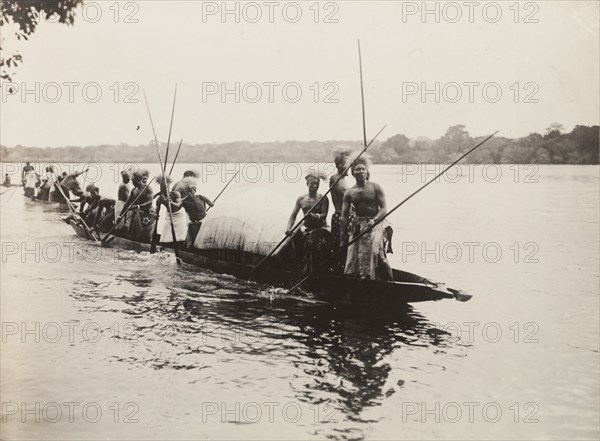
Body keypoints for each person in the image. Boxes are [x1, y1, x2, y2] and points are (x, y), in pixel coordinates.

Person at [340, 157, 393, 280]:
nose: (361, 172)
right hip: (358, 225)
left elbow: (384, 209)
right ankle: (360, 281)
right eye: (358, 170)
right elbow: (344, 217)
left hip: (376, 223)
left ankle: (391, 282)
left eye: (363, 169)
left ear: (367, 171)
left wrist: (373, 221)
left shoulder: (375, 187)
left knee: (379, 256)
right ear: (353, 173)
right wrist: (342, 239)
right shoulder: (349, 192)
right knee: (354, 258)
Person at [285, 172, 331, 272]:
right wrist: (288, 228)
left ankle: (317, 271)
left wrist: (314, 216)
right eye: (312, 183)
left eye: (317, 183)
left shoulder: (323, 198)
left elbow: (324, 215)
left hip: (320, 229)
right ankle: (301, 269)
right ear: (307, 184)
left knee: (315, 245)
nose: (315, 186)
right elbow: (293, 216)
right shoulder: (301, 199)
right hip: (306, 228)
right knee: (292, 245)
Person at [329, 148, 356, 272]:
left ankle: (349, 268)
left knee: (351, 244)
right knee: (341, 245)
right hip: (341, 216)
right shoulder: (335, 179)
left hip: (351, 216)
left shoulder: (345, 180)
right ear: (340, 165)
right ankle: (339, 270)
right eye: (347, 165)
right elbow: (346, 194)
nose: (349, 167)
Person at [178, 177, 214, 247]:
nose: (190, 193)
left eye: (191, 191)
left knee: (204, 243)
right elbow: (176, 206)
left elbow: (212, 204)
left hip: (203, 223)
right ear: (186, 191)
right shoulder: (184, 201)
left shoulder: (201, 197)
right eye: (188, 191)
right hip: (193, 225)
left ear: (195, 190)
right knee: (191, 244)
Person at [120, 169, 155, 242]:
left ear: (138, 180)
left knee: (147, 235)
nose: (132, 182)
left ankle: (148, 244)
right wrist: (120, 216)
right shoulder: (134, 190)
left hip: (147, 214)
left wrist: (138, 206)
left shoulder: (147, 189)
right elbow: (127, 203)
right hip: (137, 214)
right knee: (136, 233)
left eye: (133, 181)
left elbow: (150, 202)